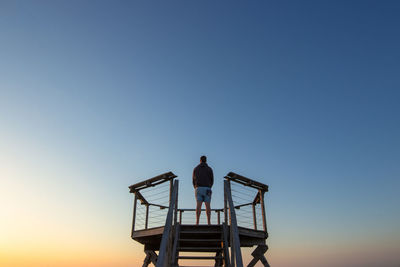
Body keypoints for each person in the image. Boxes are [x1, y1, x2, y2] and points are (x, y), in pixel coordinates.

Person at [192, 155, 214, 225]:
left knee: (198, 205)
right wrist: (209, 186)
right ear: (206, 160)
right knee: (208, 205)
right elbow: (212, 180)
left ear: (200, 160)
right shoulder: (209, 169)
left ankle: (197, 222)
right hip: (207, 188)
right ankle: (209, 222)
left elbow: (193, 180)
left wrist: (195, 187)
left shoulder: (196, 168)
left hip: (198, 188)